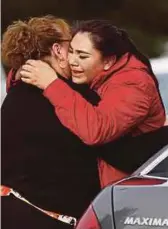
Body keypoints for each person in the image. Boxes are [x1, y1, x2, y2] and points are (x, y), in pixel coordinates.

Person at [20, 19, 168, 186]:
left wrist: (51, 84)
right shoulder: (94, 73)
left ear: (108, 61)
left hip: (131, 194)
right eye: (71, 51)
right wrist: (25, 71)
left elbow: (97, 130)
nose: (72, 61)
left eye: (82, 56)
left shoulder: (134, 83)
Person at [1, 16, 104, 229]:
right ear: (58, 50)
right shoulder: (75, 98)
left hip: (12, 211)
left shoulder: (14, 96)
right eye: (72, 44)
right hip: (54, 218)